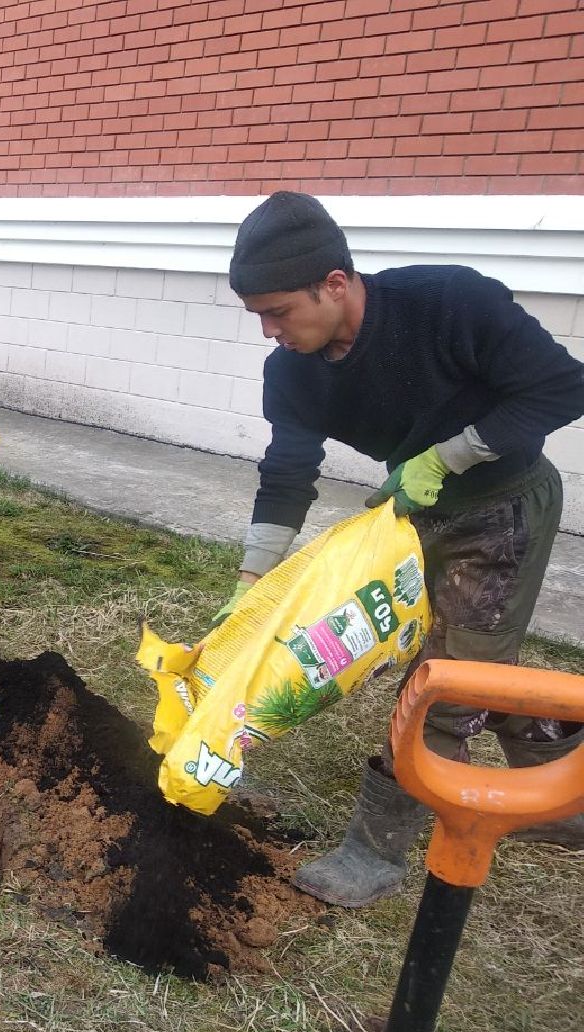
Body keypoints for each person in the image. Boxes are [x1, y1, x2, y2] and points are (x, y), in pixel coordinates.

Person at [218, 191, 584, 908]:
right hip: (411, 520)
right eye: (257, 315)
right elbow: (288, 471)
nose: (269, 331)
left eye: (279, 312)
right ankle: (565, 794)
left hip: (503, 507)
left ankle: (374, 851)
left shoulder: (448, 304)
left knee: (447, 680)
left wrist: (449, 456)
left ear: (334, 283)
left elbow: (564, 387)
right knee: (472, 654)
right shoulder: (292, 370)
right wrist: (250, 582)